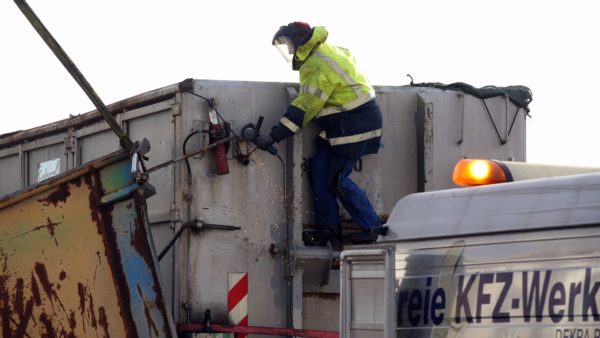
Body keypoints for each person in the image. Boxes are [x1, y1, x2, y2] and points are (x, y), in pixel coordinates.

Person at [255, 22, 387, 245]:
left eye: (288, 44)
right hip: (349, 124)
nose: (288, 51)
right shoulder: (327, 51)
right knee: (319, 166)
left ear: (299, 41)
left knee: (337, 179)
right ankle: (329, 230)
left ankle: (373, 227)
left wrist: (273, 136)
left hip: (354, 125)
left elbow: (304, 108)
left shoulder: (315, 65)